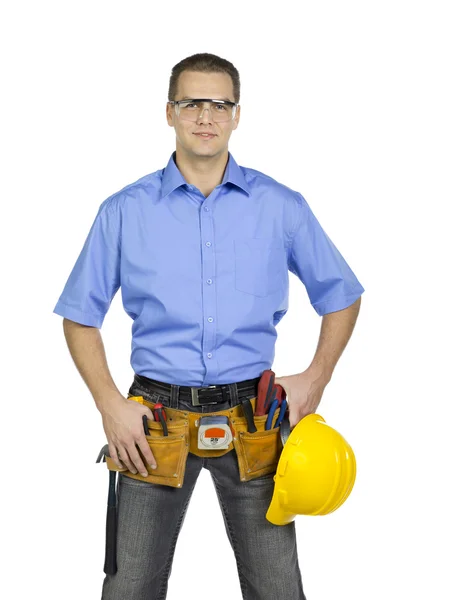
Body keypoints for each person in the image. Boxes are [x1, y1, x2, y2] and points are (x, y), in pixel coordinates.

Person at [53, 52, 364, 600]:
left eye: (219, 104)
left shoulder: (281, 207)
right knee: (130, 589)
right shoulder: (123, 211)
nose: (205, 115)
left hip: (257, 422)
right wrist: (109, 405)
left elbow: (341, 295)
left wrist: (317, 377)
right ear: (168, 112)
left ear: (237, 115)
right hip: (151, 426)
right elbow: (80, 317)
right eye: (191, 102)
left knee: (278, 590)